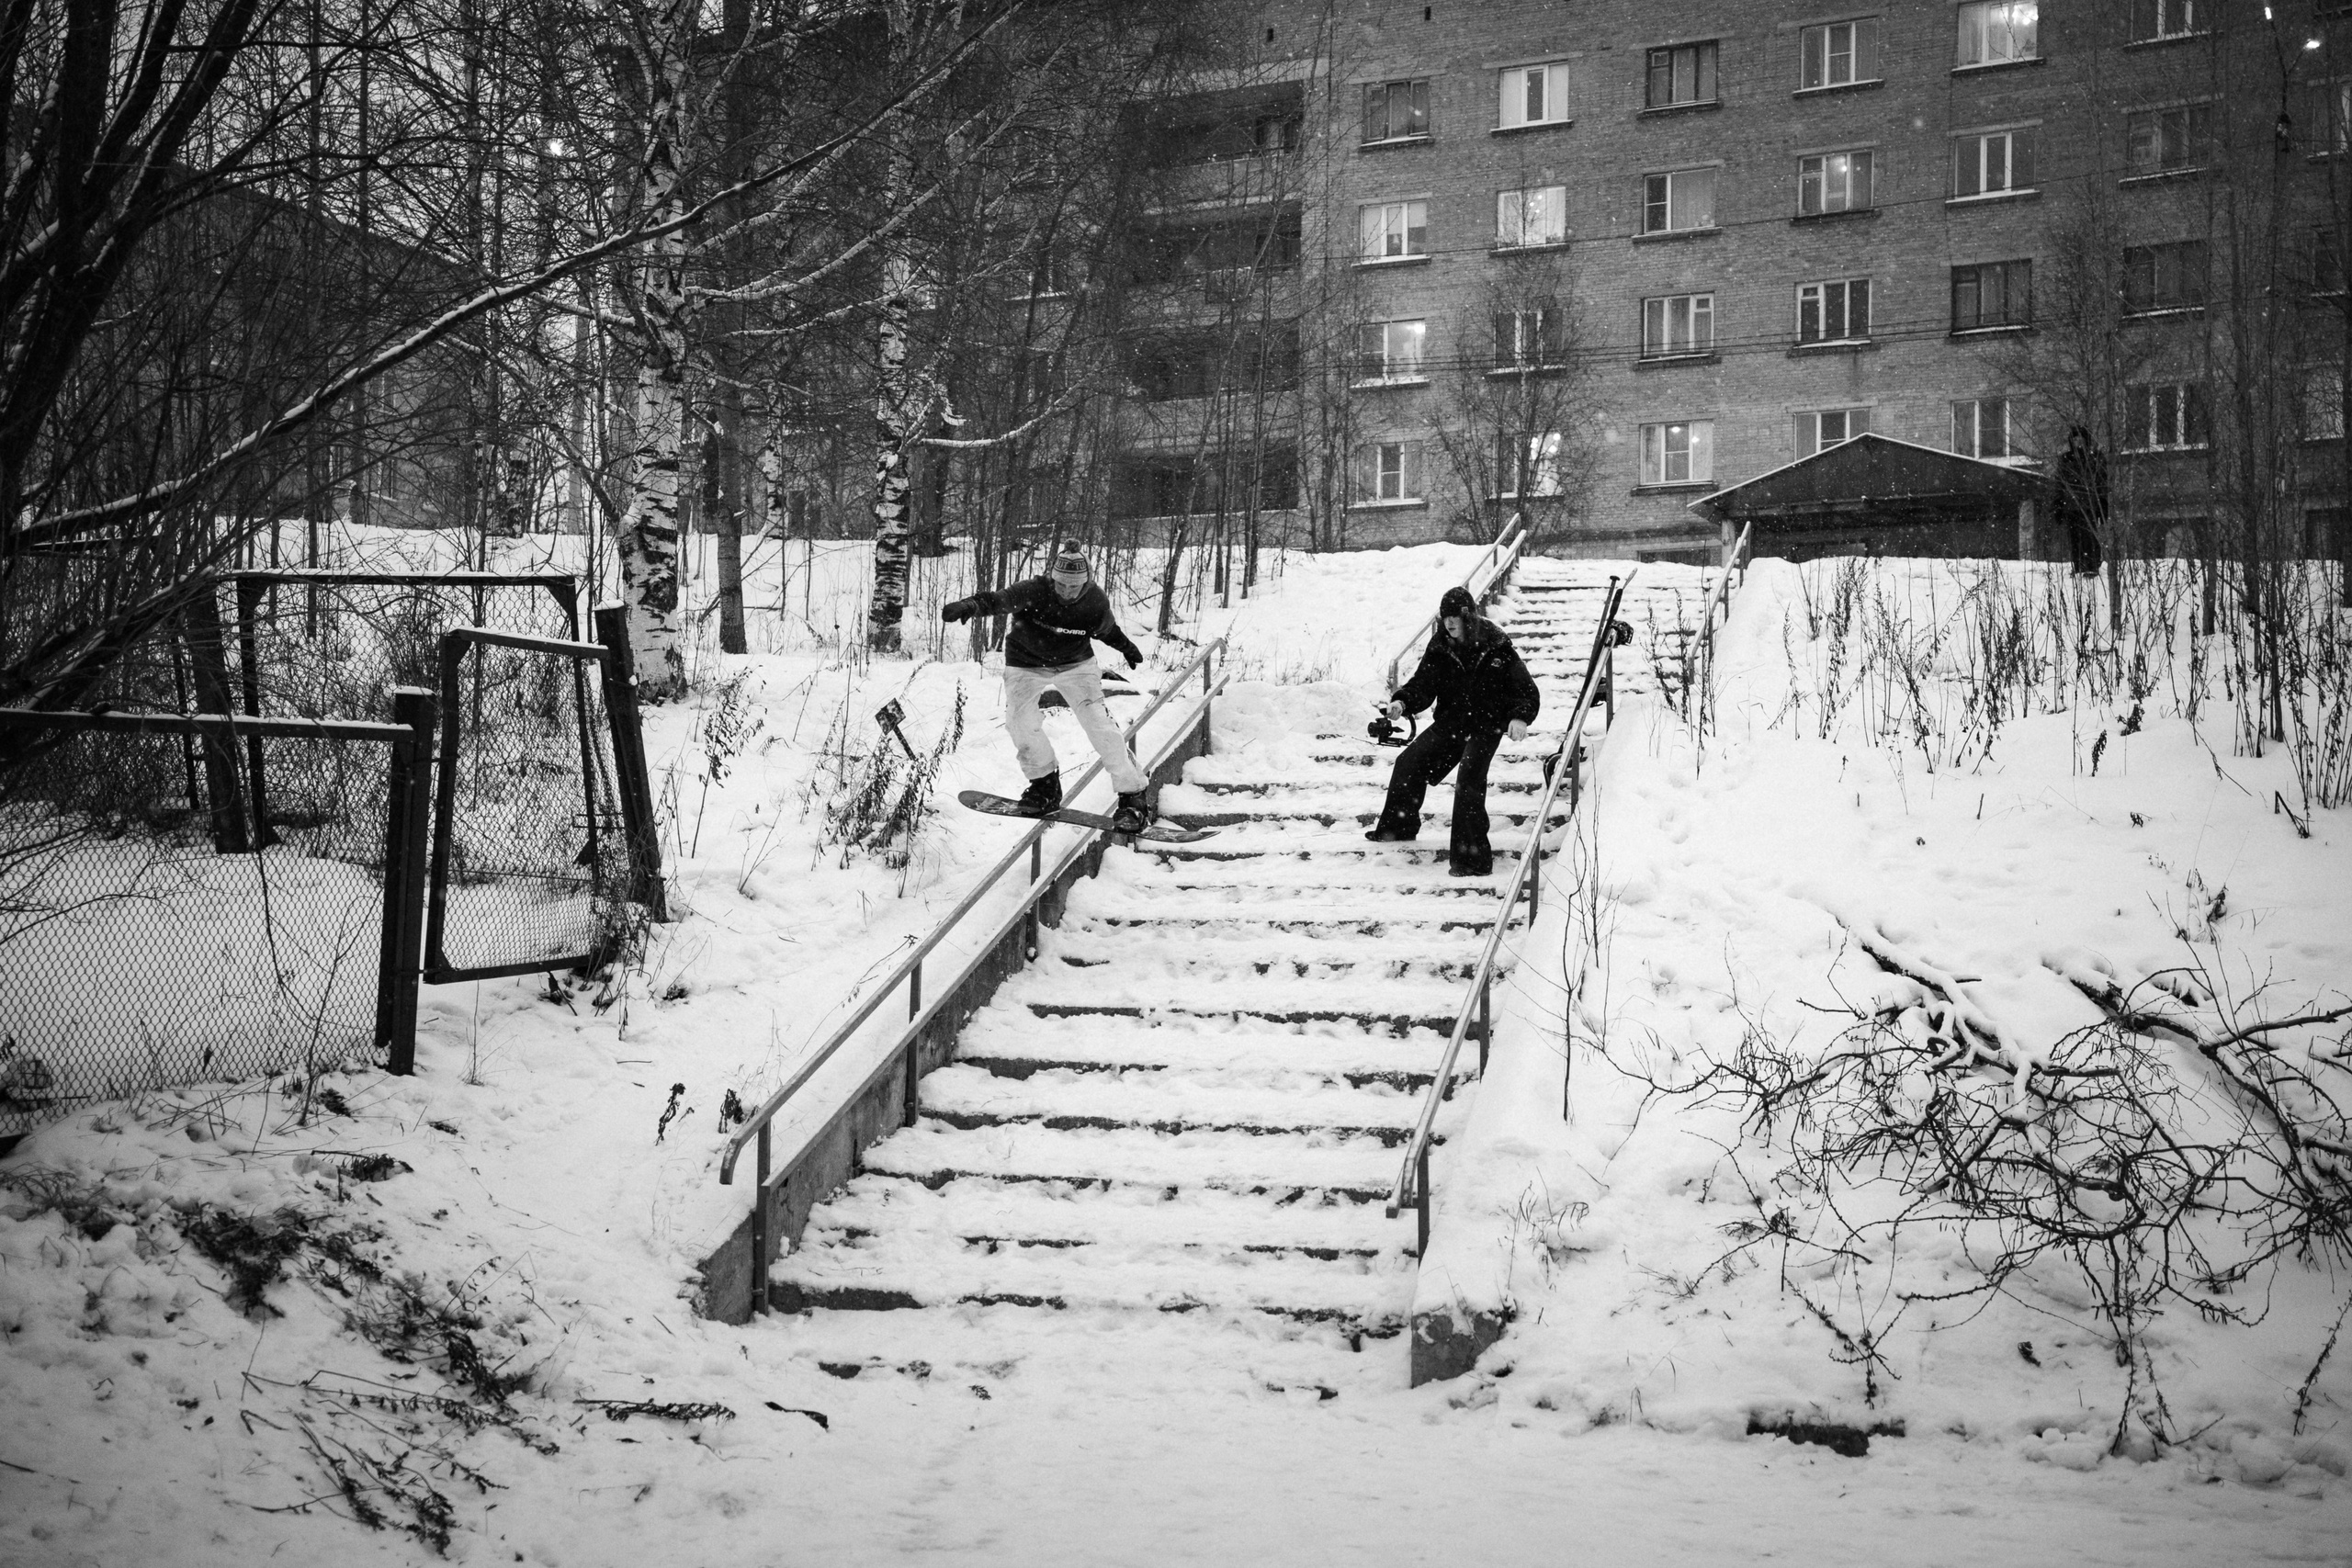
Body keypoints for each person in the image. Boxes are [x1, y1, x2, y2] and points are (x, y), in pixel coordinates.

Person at [942, 549, 1152, 833]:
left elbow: (1107, 630)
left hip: (1076, 665)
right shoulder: (1034, 590)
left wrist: (1128, 648)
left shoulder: (1094, 600)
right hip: (1025, 663)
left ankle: (1133, 799)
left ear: (1086, 582)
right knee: (1019, 721)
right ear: (1053, 578)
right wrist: (970, 605)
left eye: (1074, 586)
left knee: (1099, 726)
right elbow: (998, 601)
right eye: (1061, 584)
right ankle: (1044, 785)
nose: (1066, 591)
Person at [1366, 584, 1540, 876]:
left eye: (1454, 617)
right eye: (1445, 617)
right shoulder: (1440, 646)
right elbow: (1423, 684)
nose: (1449, 623)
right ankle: (1397, 828)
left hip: (1486, 725)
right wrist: (1402, 702)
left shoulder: (1496, 645)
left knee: (1469, 780)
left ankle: (1471, 860)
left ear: (1469, 617)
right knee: (1408, 763)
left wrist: (1519, 718)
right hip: (1452, 723)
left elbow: (1525, 690)